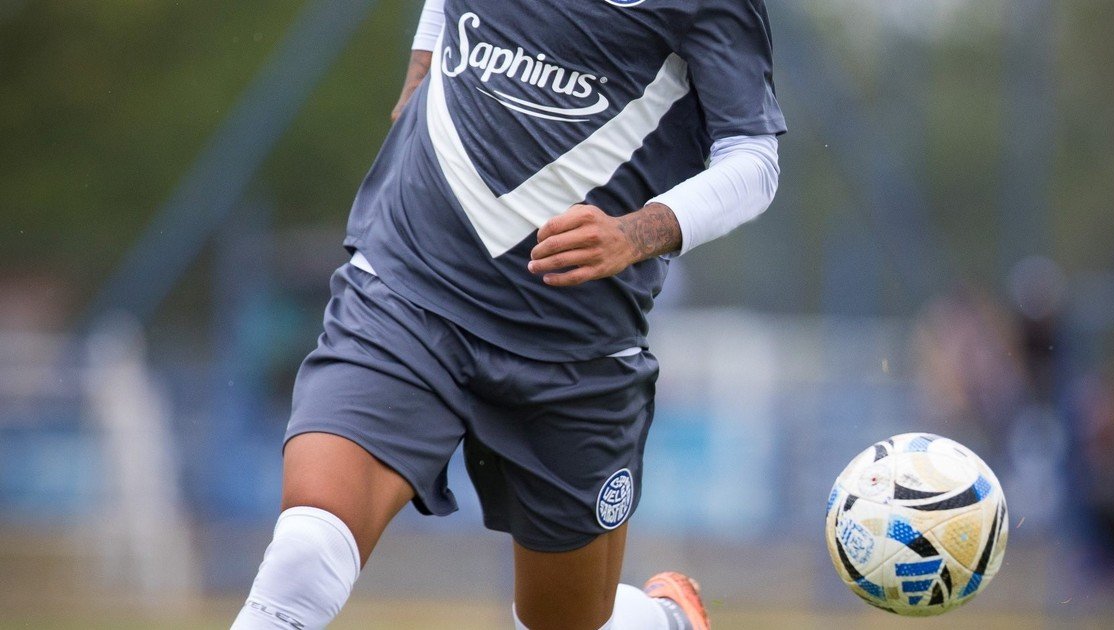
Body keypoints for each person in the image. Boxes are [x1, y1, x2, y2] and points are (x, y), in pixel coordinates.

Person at [231, 0, 785, 627]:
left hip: (574, 349)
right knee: (306, 555)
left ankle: (663, 622)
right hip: (410, 293)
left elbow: (754, 160)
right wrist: (425, 54)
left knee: (562, 622)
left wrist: (634, 233)